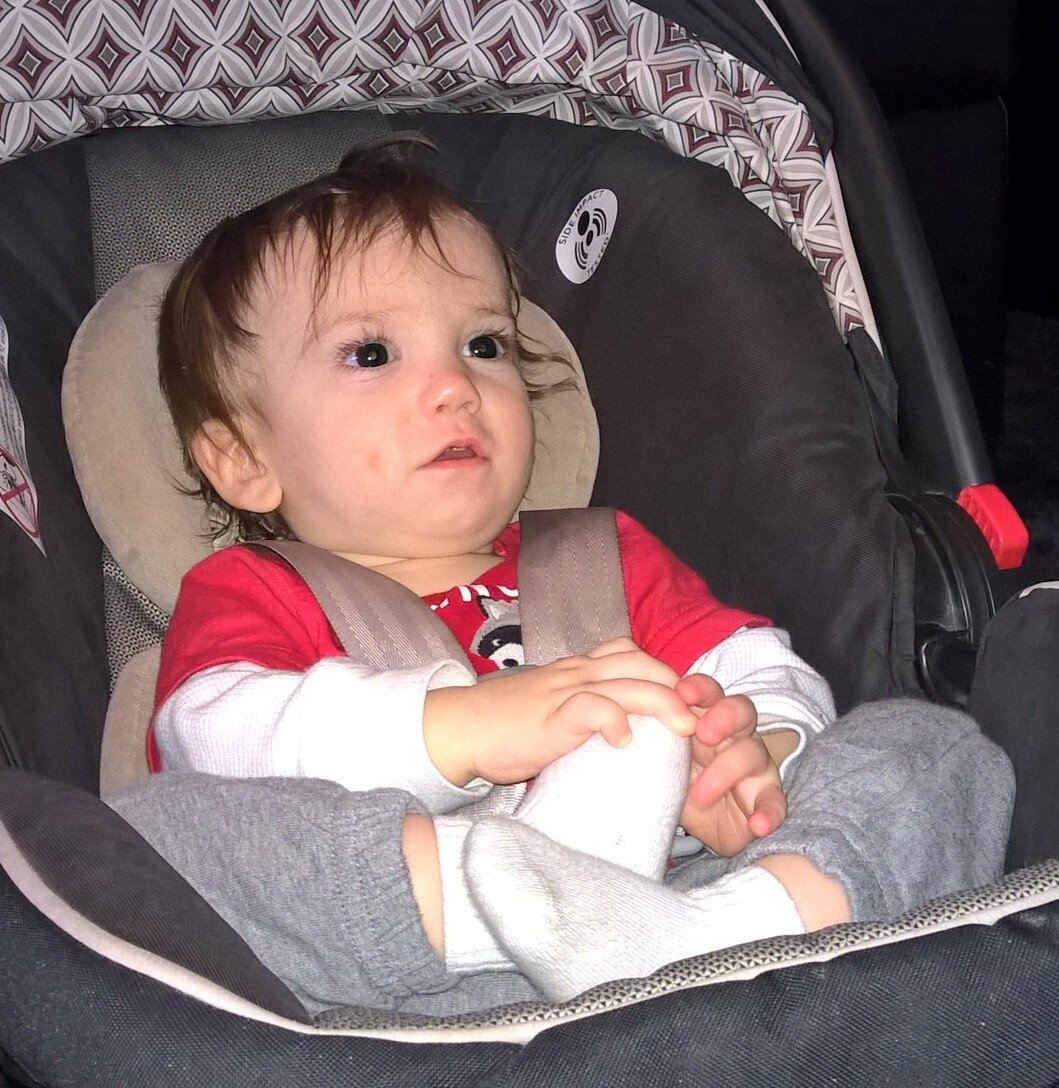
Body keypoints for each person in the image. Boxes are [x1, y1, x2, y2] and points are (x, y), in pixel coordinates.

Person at [108, 138, 1014, 1016]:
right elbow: (214, 738)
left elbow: (752, 665)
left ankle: (728, 933)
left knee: (931, 749)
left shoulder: (600, 554)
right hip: (411, 957)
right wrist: (460, 727)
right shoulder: (251, 589)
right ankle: (519, 908)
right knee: (157, 832)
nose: (455, 386)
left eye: (483, 345)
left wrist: (752, 753)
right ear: (244, 460)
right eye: (371, 354)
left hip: (679, 898)